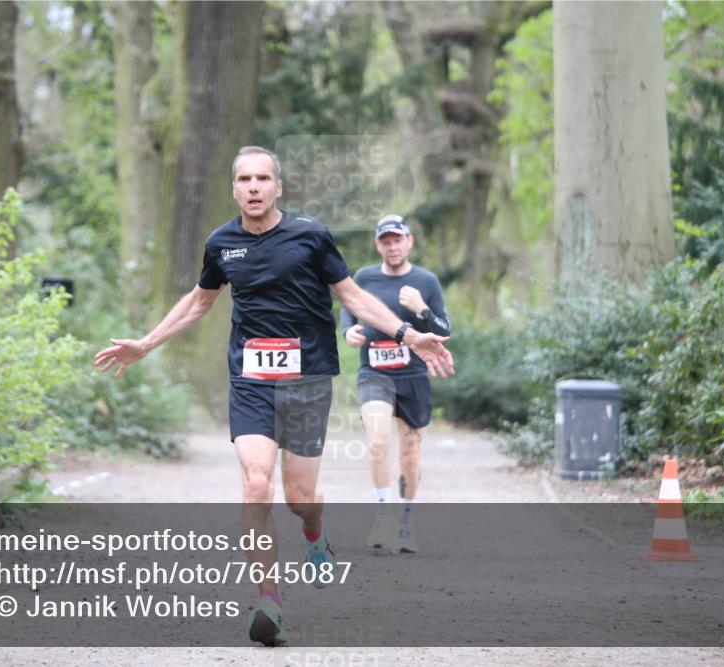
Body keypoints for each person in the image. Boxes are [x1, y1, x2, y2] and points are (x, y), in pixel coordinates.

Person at [93, 147, 454, 647]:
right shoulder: (221, 243)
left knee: (300, 498)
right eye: (245, 179)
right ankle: (270, 601)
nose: (255, 187)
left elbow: (351, 295)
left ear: (278, 187)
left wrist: (405, 334)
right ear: (234, 188)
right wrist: (146, 344)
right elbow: (200, 302)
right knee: (256, 482)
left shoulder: (310, 235)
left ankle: (315, 533)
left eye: (264, 178)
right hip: (251, 381)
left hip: (307, 382)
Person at [340, 214, 451, 554]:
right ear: (378, 245)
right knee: (377, 441)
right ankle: (384, 512)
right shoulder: (364, 277)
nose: (392, 246)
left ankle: (405, 520)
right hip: (374, 372)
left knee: (410, 457)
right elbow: (349, 308)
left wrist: (421, 310)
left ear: (409, 241)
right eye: (385, 241)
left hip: (414, 376)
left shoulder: (426, 280)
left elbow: (444, 329)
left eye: (397, 240)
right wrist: (348, 330)